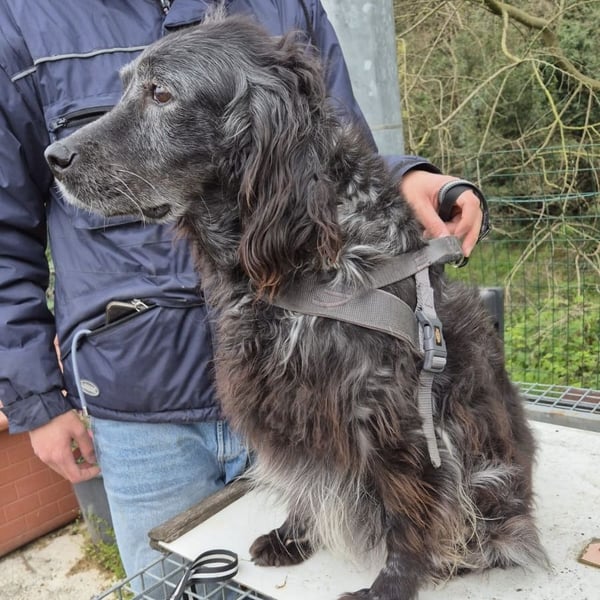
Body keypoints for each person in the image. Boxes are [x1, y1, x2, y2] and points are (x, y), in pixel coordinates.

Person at [0, 0, 486, 589]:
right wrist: (38, 402)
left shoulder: (288, 4)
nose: (73, 145)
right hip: (142, 407)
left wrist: (409, 175)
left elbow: (334, 149)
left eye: (156, 96)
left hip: (315, 385)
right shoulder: (24, 18)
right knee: (172, 586)